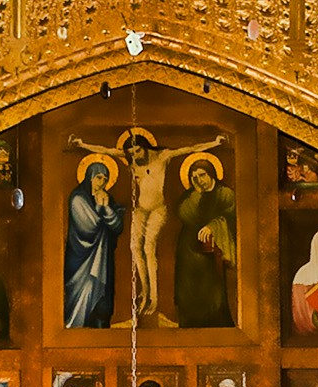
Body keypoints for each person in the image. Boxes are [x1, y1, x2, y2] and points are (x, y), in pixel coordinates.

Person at [68, 131, 227, 318]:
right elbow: (105, 150)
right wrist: (81, 144)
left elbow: (190, 149)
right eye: (132, 153)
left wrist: (214, 142)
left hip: (158, 210)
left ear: (145, 147)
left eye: (137, 151)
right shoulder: (132, 159)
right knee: (135, 247)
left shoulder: (162, 156)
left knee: (148, 248)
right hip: (140, 210)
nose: (135, 155)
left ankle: (155, 297)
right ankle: (144, 291)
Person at [173, 158, 237, 327]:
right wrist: (197, 193)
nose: (199, 180)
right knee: (188, 289)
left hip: (213, 253)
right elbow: (185, 215)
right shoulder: (191, 195)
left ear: (212, 174)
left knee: (212, 291)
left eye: (202, 175)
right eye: (194, 177)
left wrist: (214, 226)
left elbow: (232, 216)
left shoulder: (225, 193)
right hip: (188, 250)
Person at [63, 161, 126, 328]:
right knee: (81, 297)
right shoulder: (78, 198)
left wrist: (107, 208)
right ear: (89, 177)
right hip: (81, 259)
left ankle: (101, 328)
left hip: (103, 259)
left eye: (105, 179)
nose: (102, 182)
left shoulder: (108, 199)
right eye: (98, 177)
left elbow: (118, 227)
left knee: (103, 301)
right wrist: (101, 207)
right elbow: (88, 227)